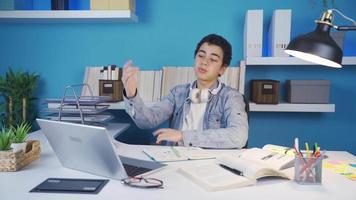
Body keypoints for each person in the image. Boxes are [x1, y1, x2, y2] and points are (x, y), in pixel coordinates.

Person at [121, 34, 248, 149]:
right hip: (175, 159)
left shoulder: (231, 97)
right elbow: (147, 121)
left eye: (213, 59)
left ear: (222, 69)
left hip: (209, 164)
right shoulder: (178, 93)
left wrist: (183, 136)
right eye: (201, 55)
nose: (204, 62)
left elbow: (238, 136)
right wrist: (132, 95)